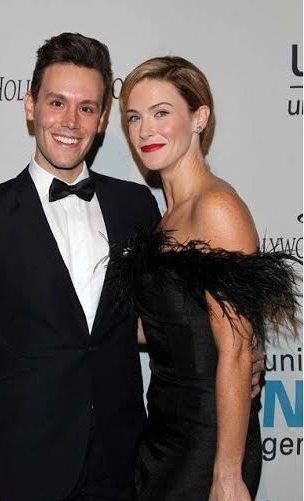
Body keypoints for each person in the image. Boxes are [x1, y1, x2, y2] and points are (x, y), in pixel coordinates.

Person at [0, 35, 264, 501]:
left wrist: (239, 352)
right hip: (21, 460)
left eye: (87, 107)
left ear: (102, 118)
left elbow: (172, 316)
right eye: (56, 103)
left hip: (125, 458)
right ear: (30, 106)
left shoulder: (136, 208)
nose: (71, 121)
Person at [114, 56, 300, 501]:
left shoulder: (217, 207)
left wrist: (228, 474)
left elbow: (236, 349)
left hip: (208, 439)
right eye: (134, 118)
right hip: (163, 429)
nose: (145, 131)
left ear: (199, 117)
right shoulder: (166, 218)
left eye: (162, 113)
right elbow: (167, 327)